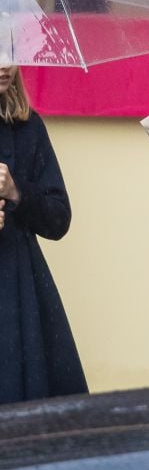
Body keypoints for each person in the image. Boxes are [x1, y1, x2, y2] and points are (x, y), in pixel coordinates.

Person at [0, 65, 87, 404]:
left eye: (10, 52)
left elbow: (58, 218)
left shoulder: (27, 127)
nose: (5, 64)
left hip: (19, 297)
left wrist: (17, 192)